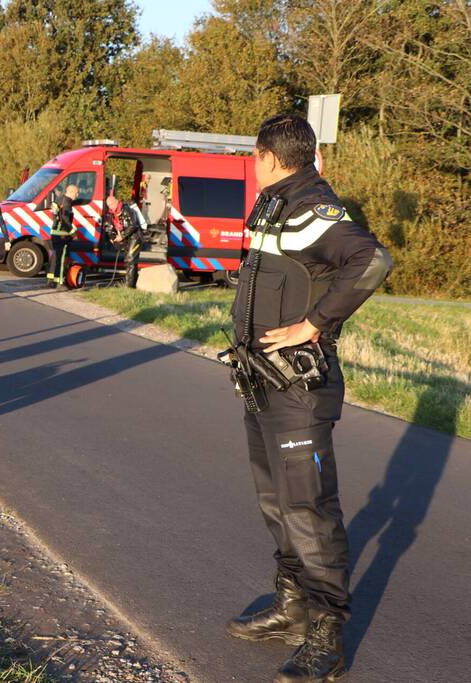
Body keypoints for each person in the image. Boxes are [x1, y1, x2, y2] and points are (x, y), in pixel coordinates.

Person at [225, 114, 392, 683]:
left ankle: (327, 635)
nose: (253, 165)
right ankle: (292, 605)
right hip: (261, 382)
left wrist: (313, 324)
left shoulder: (315, 208)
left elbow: (372, 261)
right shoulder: (276, 203)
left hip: (299, 387)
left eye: (254, 155)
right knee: (277, 504)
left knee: (309, 510)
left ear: (271, 156)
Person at [104, 194, 146, 288]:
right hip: (127, 239)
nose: (111, 207)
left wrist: (122, 236)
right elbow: (108, 226)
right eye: (109, 205)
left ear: (116, 202)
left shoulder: (127, 209)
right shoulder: (111, 213)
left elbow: (133, 225)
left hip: (135, 237)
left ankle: (129, 285)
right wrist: (112, 237)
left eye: (112, 204)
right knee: (129, 260)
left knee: (130, 259)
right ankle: (132, 283)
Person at [45, 184, 80, 288]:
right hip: (62, 235)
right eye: (77, 193)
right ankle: (60, 282)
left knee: (54, 257)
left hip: (55, 233)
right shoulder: (67, 203)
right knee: (61, 259)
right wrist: (73, 233)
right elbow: (65, 220)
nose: (77, 195)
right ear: (72, 192)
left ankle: (50, 281)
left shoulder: (60, 199)